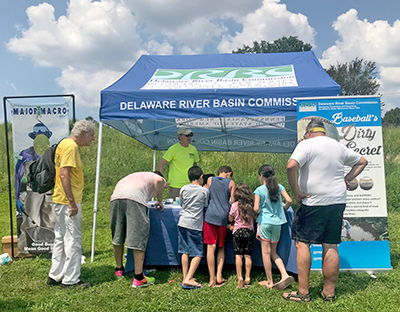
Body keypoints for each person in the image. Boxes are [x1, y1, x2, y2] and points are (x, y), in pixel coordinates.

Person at [284, 118, 368, 303]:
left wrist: (296, 192)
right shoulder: (337, 146)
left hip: (313, 202)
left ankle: (303, 292)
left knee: (302, 243)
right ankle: (328, 293)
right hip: (337, 201)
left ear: (308, 132)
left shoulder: (306, 144)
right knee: (330, 244)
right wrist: (347, 178)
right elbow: (362, 161)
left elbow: (291, 166)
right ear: (323, 131)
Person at [46, 120, 95, 289]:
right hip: (68, 201)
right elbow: (64, 175)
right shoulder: (71, 147)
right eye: (92, 135)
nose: (93, 139)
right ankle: (71, 280)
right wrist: (72, 203)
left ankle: (55, 275)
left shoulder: (63, 143)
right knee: (73, 239)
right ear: (83, 133)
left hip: (59, 199)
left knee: (60, 237)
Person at [109, 171, 166, 288]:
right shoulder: (157, 178)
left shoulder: (137, 176)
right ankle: (139, 277)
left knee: (118, 234)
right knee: (138, 235)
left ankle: (119, 269)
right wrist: (160, 200)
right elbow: (159, 181)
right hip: (135, 199)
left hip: (116, 198)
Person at [15, 120, 55, 253]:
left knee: (50, 221)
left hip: (50, 192)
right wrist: (16, 197)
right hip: (32, 193)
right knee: (29, 221)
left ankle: (50, 249)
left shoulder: (54, 152)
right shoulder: (25, 154)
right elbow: (18, 176)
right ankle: (25, 249)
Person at [254, 164, 294, 290]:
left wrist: (257, 213)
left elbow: (255, 208)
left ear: (261, 175)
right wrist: (283, 210)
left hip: (265, 223)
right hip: (278, 223)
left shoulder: (259, 190)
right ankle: (284, 274)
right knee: (274, 252)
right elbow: (289, 200)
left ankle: (270, 281)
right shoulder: (279, 187)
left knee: (265, 253)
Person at [178, 166, 209, 289]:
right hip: (195, 224)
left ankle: (185, 276)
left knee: (184, 251)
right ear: (201, 177)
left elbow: (181, 203)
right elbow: (205, 204)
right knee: (198, 253)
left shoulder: (184, 188)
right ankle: (189, 278)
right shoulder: (204, 191)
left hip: (182, 221)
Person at [204, 165, 235, 287]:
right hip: (223, 217)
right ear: (229, 173)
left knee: (210, 247)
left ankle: (211, 279)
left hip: (210, 216)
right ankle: (219, 275)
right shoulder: (231, 183)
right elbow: (233, 203)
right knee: (221, 247)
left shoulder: (210, 180)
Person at [157, 126, 199, 199]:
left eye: (190, 135)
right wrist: (163, 181)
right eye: (187, 135)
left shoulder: (193, 149)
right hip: (175, 186)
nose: (189, 137)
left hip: (190, 185)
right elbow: (160, 164)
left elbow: (195, 167)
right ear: (179, 136)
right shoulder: (173, 149)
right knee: (173, 208)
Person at [228, 183, 256, 289]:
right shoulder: (251, 205)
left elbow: (231, 219)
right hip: (249, 231)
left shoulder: (234, 205)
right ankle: (248, 276)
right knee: (248, 255)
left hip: (237, 231)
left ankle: (240, 276)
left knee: (238, 255)